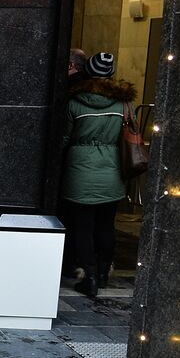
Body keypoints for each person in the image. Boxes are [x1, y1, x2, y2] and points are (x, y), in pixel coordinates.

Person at [60, 51, 136, 298]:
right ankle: (103, 274)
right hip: (112, 171)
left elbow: (63, 138)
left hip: (79, 171)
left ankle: (89, 277)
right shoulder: (125, 104)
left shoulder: (75, 102)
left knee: (82, 226)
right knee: (106, 225)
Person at [60, 48, 90, 280]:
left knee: (73, 218)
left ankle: (70, 263)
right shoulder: (119, 104)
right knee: (100, 223)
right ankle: (96, 271)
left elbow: (65, 136)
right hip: (109, 173)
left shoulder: (72, 97)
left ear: (71, 66)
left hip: (76, 166)